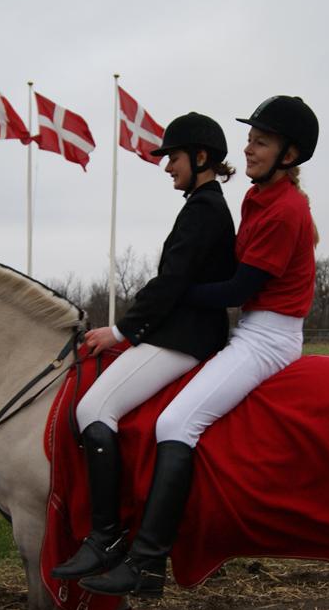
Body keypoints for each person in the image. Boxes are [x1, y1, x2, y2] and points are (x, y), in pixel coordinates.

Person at [82, 95, 319, 598]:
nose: (249, 149)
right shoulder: (257, 198)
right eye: (250, 139)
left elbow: (237, 291)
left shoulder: (287, 209)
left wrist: (175, 289)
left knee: (175, 422)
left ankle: (148, 563)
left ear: (289, 155)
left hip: (270, 338)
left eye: (262, 141)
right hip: (252, 328)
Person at [51, 113, 237, 582]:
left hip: (184, 339)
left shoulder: (204, 209)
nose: (167, 166)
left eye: (172, 157)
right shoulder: (202, 204)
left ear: (200, 157)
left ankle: (107, 536)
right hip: (177, 332)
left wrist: (120, 332)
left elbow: (170, 283)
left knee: (93, 410)